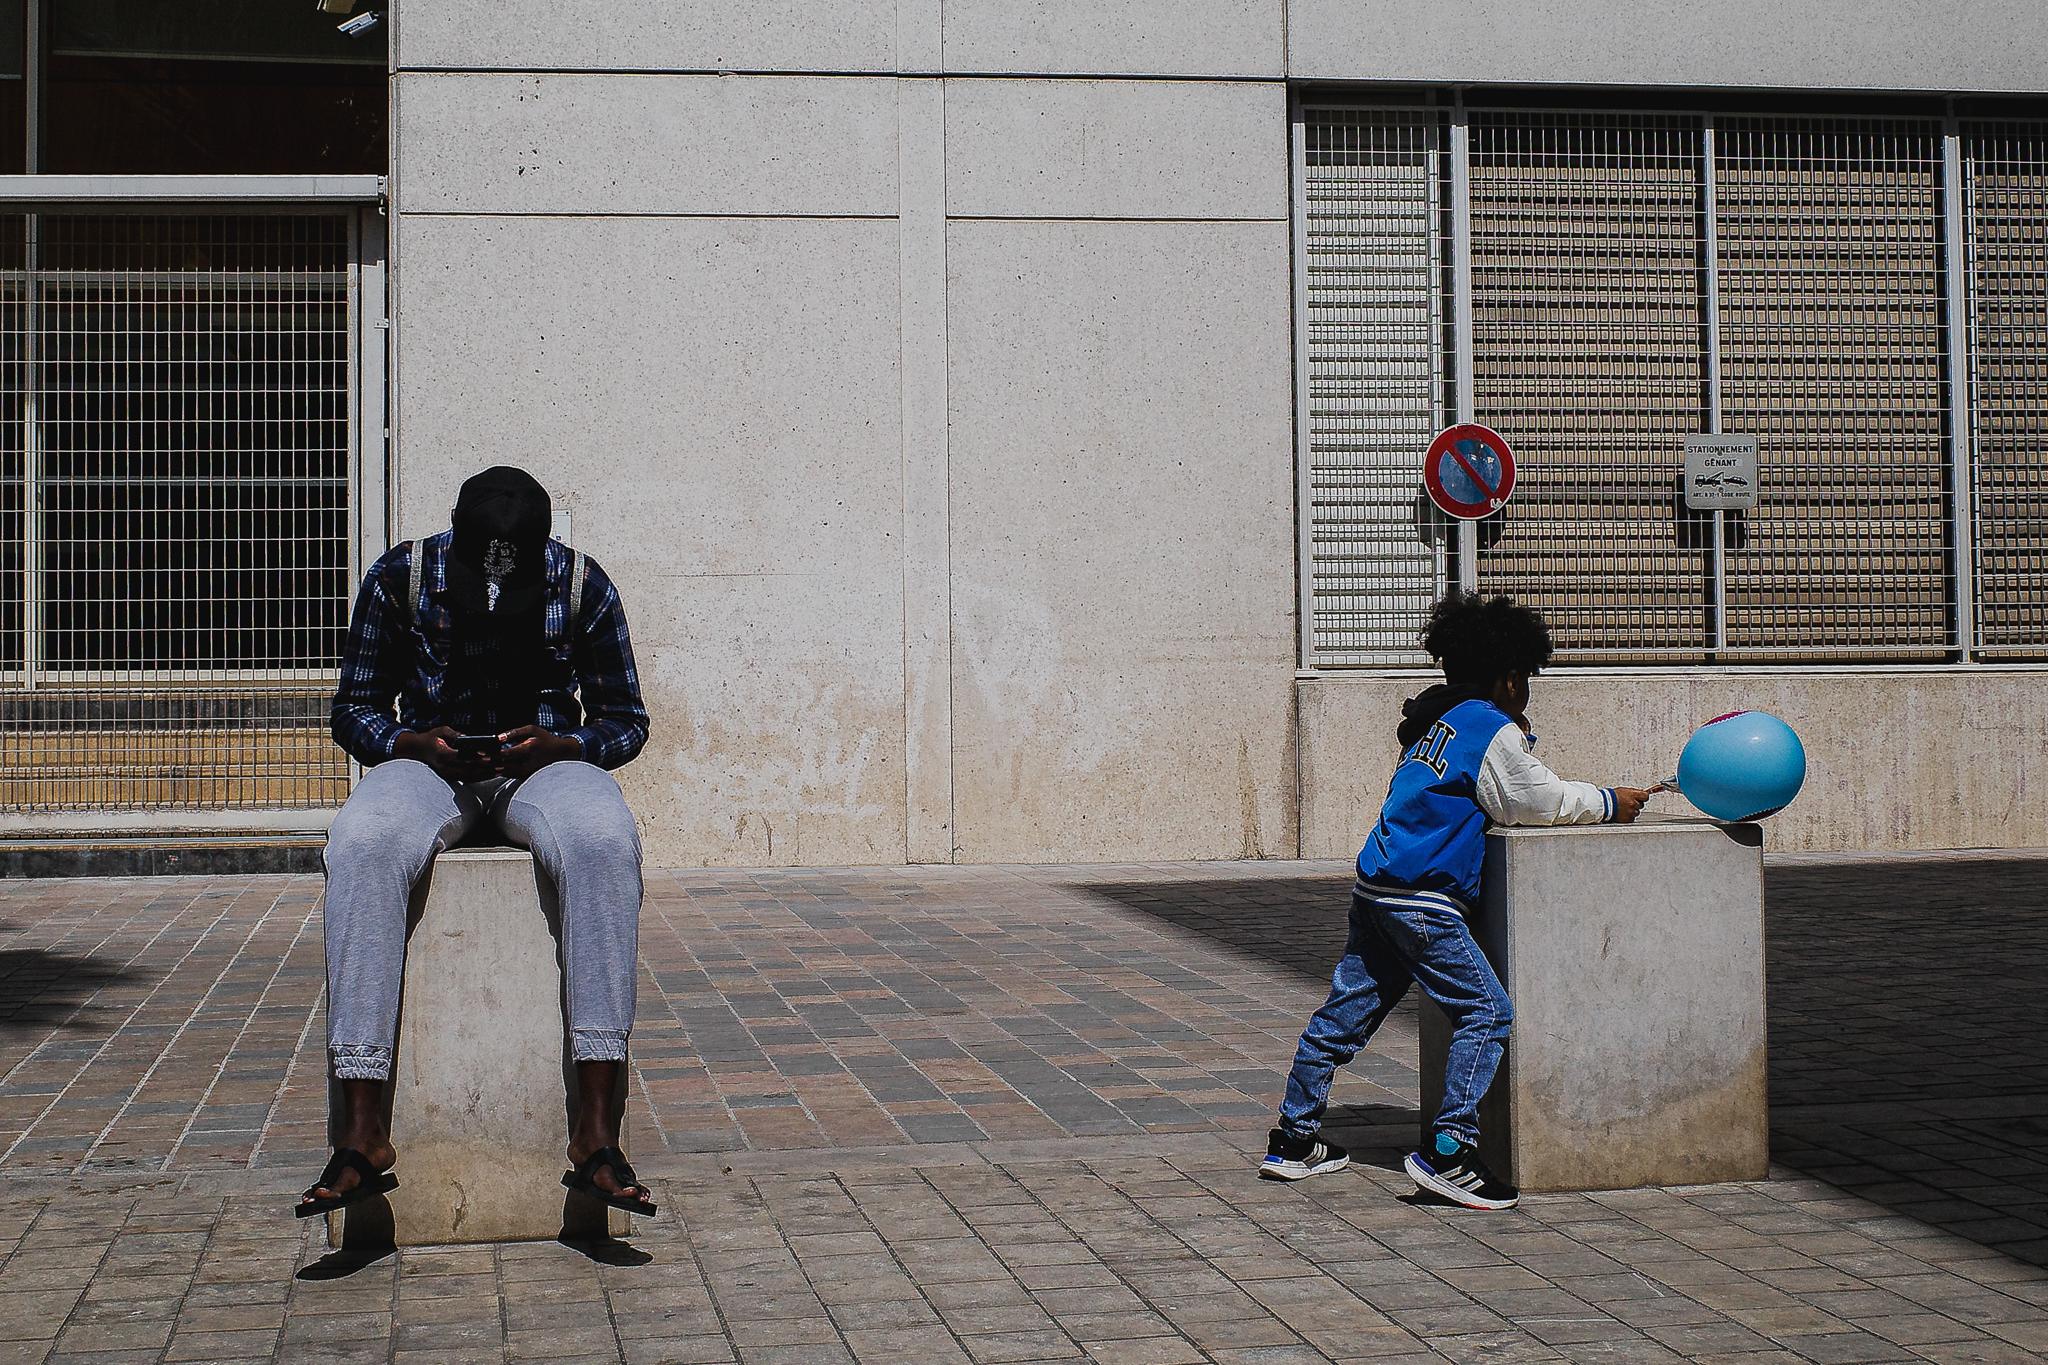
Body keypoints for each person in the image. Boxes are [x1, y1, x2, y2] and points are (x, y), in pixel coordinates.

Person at [298, 466, 656, 1221]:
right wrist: (410, 741)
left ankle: (597, 1130)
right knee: (361, 840)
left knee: (603, 839)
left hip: (545, 770)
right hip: (431, 767)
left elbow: (627, 720)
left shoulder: (584, 586)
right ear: (453, 537)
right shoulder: (402, 575)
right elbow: (353, 707)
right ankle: (363, 1132)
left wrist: (566, 742)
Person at [1261, 592, 1651, 1209]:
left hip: (1377, 890)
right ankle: (1450, 1152)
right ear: (1513, 678)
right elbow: (1532, 799)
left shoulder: (1433, 723)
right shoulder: (1487, 726)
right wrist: (1609, 802)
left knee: (1342, 1019)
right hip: (1425, 903)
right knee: (1488, 1013)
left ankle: (1293, 1138)